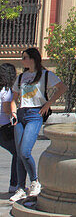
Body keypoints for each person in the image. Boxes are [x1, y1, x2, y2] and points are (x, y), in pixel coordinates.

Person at [9, 47, 66, 203]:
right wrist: (13, 113)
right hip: (21, 115)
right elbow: (14, 98)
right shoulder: (21, 77)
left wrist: (48, 104)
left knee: (25, 151)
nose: (22, 60)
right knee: (19, 153)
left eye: (24, 57)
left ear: (33, 59)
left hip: (35, 114)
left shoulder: (46, 75)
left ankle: (35, 181)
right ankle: (21, 188)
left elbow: (62, 88)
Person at [0, 63, 20, 198]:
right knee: (18, 153)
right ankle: (14, 185)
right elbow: (7, 109)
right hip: (4, 127)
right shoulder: (7, 91)